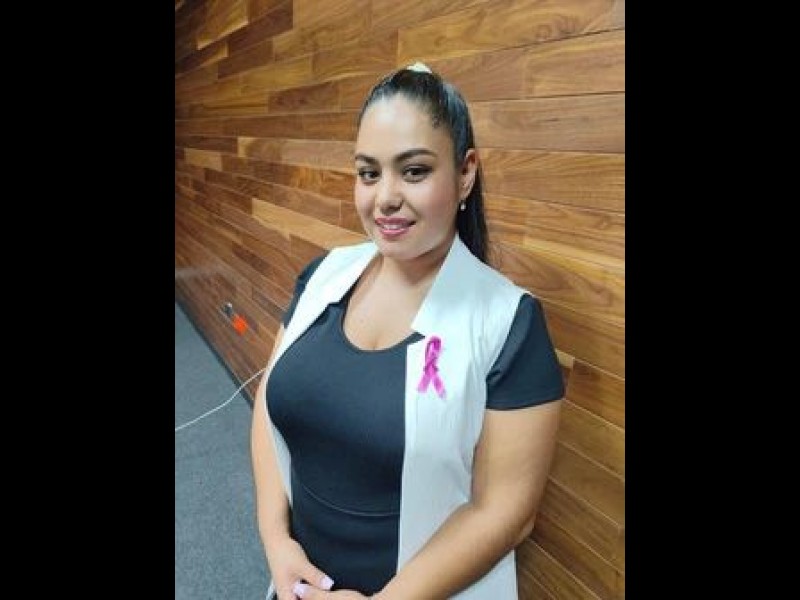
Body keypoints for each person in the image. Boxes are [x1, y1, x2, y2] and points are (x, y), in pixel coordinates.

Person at [250, 62, 565, 600]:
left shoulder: (509, 323)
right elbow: (267, 403)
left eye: (413, 171)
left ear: (465, 173)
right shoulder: (324, 275)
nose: (385, 198)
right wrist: (276, 541)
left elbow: (505, 513)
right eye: (369, 173)